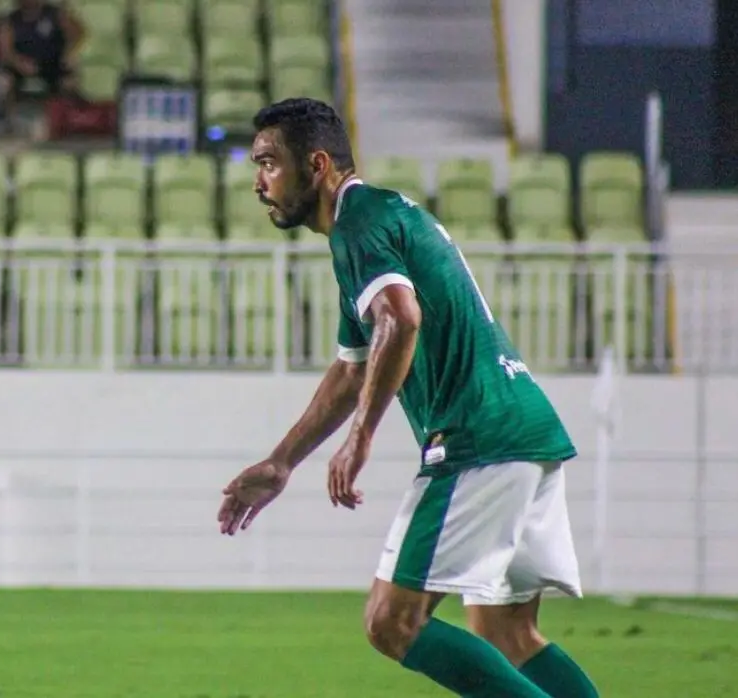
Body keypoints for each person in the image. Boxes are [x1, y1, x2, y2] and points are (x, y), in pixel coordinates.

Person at [215, 98, 600, 698]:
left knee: (391, 622)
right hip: (524, 428)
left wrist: (360, 438)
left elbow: (400, 317)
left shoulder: (358, 224)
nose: (259, 183)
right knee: (507, 632)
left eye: (268, 164)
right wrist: (282, 461)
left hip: (477, 439)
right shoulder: (377, 218)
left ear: (316, 164)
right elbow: (351, 371)